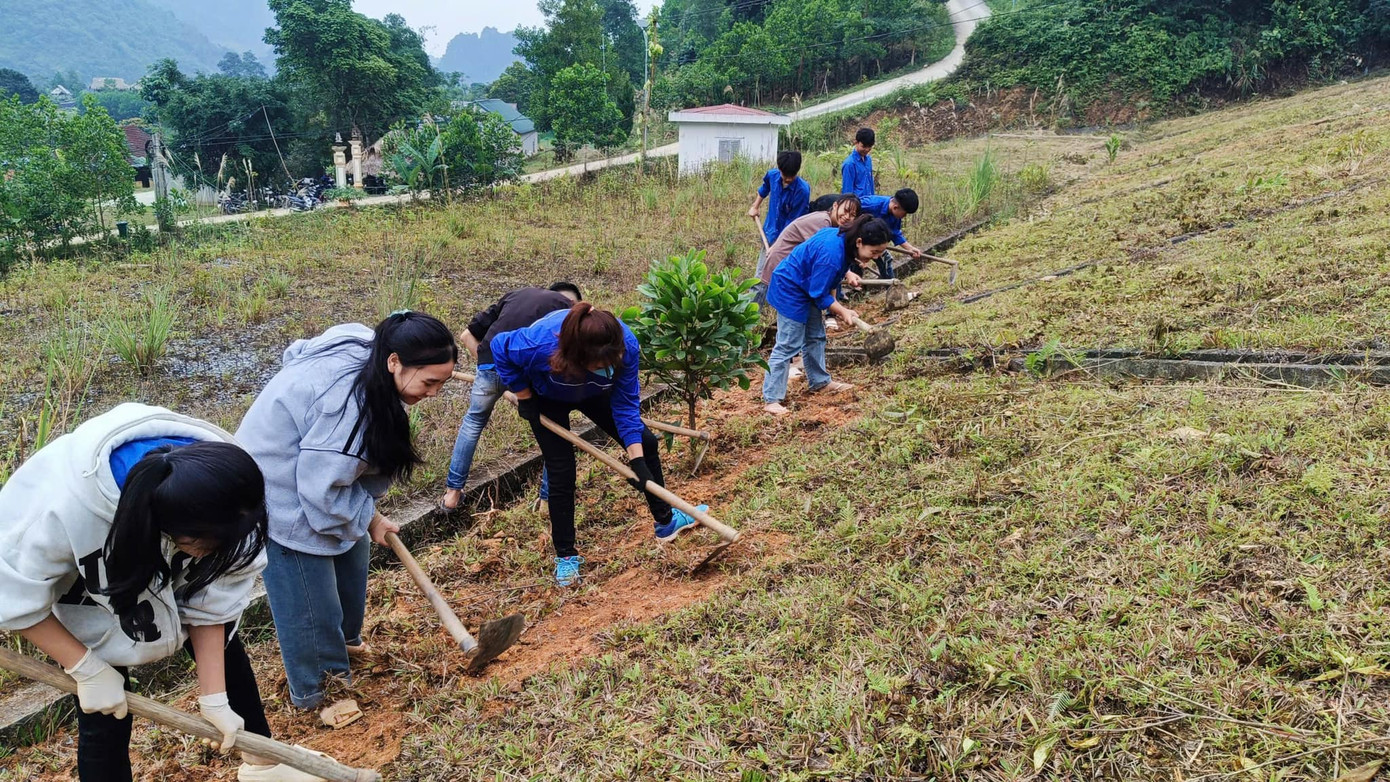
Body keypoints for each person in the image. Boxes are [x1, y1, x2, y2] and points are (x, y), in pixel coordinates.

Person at [0, 403, 329, 782]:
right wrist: (85, 668)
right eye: (208, 546)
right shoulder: (61, 510)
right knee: (104, 708)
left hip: (161, 543)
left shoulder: (227, 489)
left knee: (227, 653)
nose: (218, 554)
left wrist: (213, 698)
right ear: (169, 530)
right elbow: (12, 597)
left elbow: (213, 606)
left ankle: (264, 765)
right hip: (87, 587)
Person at [236, 312, 457, 715]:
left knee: (350, 563)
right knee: (310, 596)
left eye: (444, 382)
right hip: (274, 489)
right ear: (394, 361)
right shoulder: (348, 411)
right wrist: (367, 516)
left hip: (317, 473)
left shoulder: (369, 348)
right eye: (430, 382)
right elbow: (321, 493)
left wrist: (363, 518)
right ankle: (324, 690)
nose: (435, 393)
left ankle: (346, 643)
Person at [490, 303, 707, 587]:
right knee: (561, 471)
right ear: (577, 357)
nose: (609, 367)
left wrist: (637, 461)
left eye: (611, 363)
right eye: (600, 365)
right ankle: (566, 557)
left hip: (594, 393)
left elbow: (626, 405)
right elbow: (498, 347)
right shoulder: (538, 343)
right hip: (546, 397)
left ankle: (666, 522)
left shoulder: (626, 343)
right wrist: (525, 396)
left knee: (646, 442)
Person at [439, 282, 583, 513]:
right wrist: (518, 388)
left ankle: (451, 496)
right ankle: (546, 501)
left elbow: (467, 335)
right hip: (527, 371)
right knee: (554, 429)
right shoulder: (570, 312)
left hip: (489, 360)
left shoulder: (517, 294)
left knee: (473, 421)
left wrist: (493, 373)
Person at [762, 216, 895, 416]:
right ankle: (771, 399)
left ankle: (820, 381)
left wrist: (839, 300)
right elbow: (818, 292)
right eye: (874, 251)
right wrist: (841, 310)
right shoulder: (832, 253)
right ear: (859, 242)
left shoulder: (844, 240)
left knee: (816, 336)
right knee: (788, 344)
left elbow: (830, 281)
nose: (876, 257)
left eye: (880, 253)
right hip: (791, 289)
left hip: (807, 286)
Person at [748, 150, 811, 249]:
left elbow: (794, 223)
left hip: (788, 242)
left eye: (792, 176)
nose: (788, 179)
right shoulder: (772, 176)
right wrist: (755, 206)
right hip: (769, 233)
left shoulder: (802, 191)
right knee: (764, 264)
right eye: (785, 176)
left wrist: (778, 247)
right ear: (780, 169)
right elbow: (764, 189)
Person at [859, 188, 924, 280]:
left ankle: (892, 288)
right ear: (895, 207)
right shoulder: (870, 204)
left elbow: (894, 233)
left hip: (873, 242)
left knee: (885, 258)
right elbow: (847, 213)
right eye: (904, 214)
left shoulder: (895, 215)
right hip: (855, 239)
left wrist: (910, 248)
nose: (904, 217)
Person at [841, 128, 876, 197]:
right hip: (858, 204)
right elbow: (847, 192)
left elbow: (870, 184)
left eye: (869, 147)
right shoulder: (849, 164)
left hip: (869, 202)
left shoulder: (868, 160)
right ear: (856, 142)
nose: (867, 150)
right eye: (864, 146)